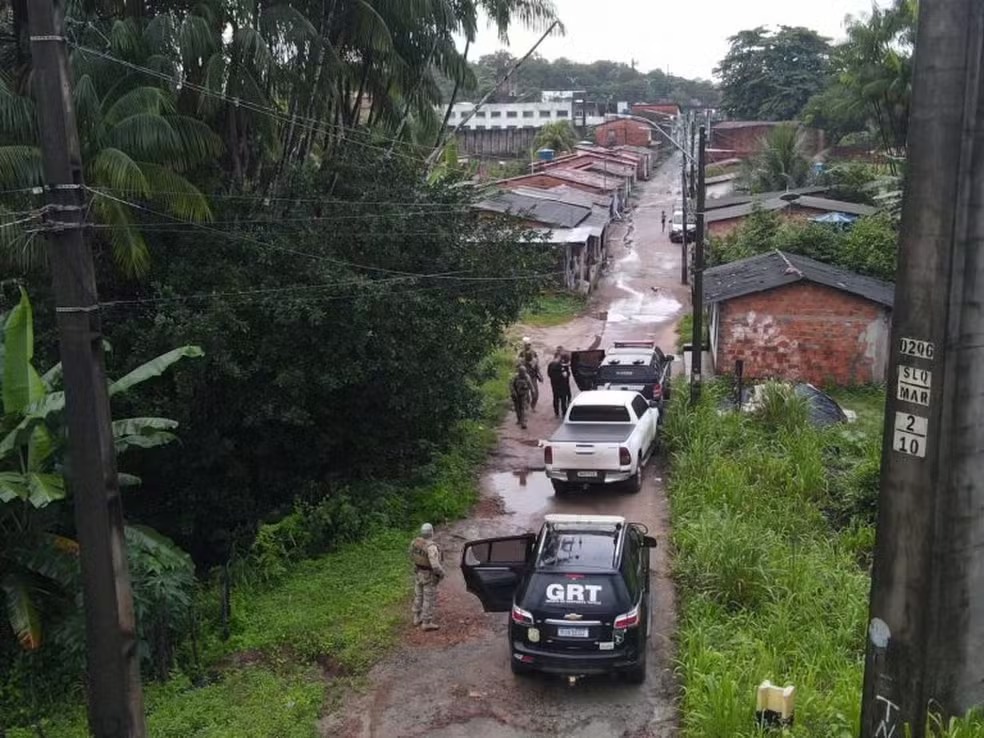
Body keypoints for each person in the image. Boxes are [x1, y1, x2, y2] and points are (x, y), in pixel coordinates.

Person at [410, 523, 445, 631]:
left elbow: (411, 555)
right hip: (429, 575)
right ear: (431, 532)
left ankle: (416, 617)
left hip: (418, 572)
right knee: (428, 599)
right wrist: (441, 573)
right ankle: (426, 622)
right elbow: (435, 565)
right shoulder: (431, 547)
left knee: (418, 595)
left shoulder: (415, 542)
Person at [518, 337, 542, 409]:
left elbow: (537, 365)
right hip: (525, 377)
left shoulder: (533, 353)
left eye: (529, 344)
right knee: (526, 393)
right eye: (526, 345)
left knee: (535, 394)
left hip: (533, 376)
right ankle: (527, 405)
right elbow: (519, 365)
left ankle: (532, 405)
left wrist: (540, 375)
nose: (528, 346)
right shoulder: (522, 354)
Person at [547, 351, 572, 418]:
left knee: (555, 399)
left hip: (554, 385)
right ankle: (564, 413)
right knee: (563, 400)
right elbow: (566, 375)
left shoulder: (550, 365)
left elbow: (549, 374)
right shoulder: (561, 366)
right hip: (562, 386)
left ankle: (556, 413)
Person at [511, 364, 533, 429]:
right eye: (522, 372)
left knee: (523, 408)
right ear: (519, 372)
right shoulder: (515, 377)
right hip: (516, 395)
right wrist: (514, 392)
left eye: (524, 372)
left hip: (524, 394)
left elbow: (530, 384)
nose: (524, 373)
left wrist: (532, 390)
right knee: (517, 408)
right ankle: (519, 419)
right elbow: (511, 385)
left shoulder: (527, 377)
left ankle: (523, 422)